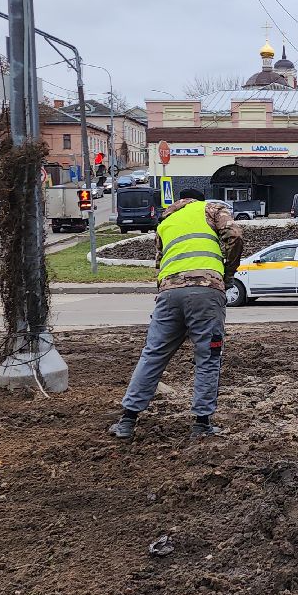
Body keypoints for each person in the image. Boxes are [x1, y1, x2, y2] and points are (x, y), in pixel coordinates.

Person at [109, 187, 243, 441]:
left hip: (169, 293)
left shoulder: (166, 221)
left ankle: (127, 421)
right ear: (199, 200)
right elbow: (234, 235)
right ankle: (202, 424)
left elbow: (160, 262)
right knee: (208, 356)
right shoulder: (211, 209)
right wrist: (228, 273)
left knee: (153, 354)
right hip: (206, 291)